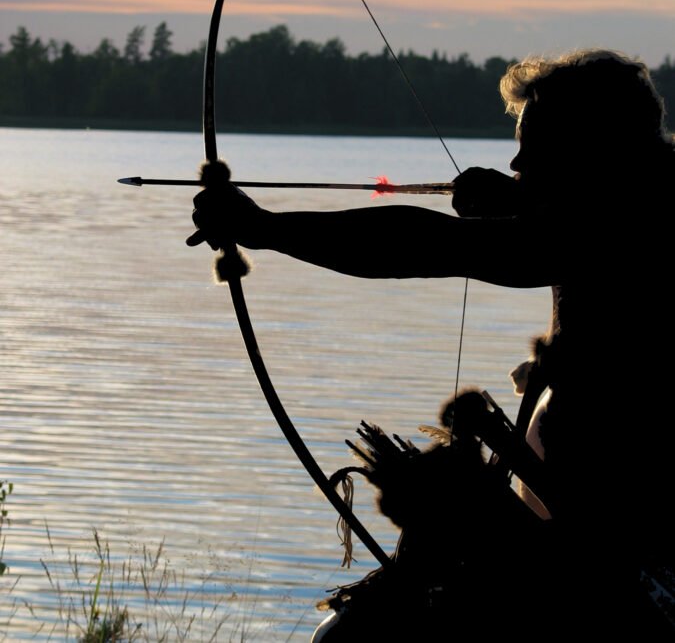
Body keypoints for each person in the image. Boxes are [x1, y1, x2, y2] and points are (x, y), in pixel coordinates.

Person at [187, 49, 674, 636]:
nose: (518, 161)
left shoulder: (620, 229)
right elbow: (561, 224)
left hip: (622, 579)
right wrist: (517, 202)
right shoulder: (634, 201)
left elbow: (422, 244)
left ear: (590, 150)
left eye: (536, 147)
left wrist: (265, 229)